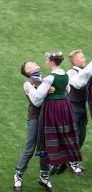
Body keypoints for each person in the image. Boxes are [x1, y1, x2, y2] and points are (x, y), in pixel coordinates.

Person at [31, 52, 82, 182]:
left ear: (52, 62)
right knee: (63, 134)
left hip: (52, 108)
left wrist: (29, 89)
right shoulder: (65, 74)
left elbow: (37, 98)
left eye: (47, 60)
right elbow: (67, 91)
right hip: (64, 106)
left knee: (50, 136)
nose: (45, 62)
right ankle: (64, 160)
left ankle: (53, 164)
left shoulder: (49, 78)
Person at [13, 61, 56, 192]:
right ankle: (18, 175)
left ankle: (44, 176)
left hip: (48, 116)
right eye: (30, 64)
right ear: (27, 71)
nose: (35, 63)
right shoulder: (28, 83)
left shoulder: (46, 78)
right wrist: (47, 92)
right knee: (30, 147)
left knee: (45, 147)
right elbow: (36, 102)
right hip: (36, 118)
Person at [66, 50, 92, 174]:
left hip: (82, 105)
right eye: (82, 57)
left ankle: (70, 159)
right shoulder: (71, 72)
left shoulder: (84, 71)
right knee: (74, 134)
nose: (84, 59)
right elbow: (77, 85)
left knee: (81, 134)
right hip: (73, 106)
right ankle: (72, 162)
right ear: (75, 61)